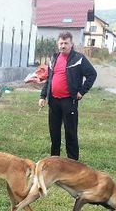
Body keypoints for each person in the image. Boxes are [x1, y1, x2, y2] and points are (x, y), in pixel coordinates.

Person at [39, 31, 97, 161]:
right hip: (53, 102)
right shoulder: (53, 58)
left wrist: (81, 92)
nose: (63, 46)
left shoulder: (78, 58)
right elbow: (49, 79)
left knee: (70, 134)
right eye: (61, 43)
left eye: (66, 43)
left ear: (71, 44)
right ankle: (54, 162)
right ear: (57, 44)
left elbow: (92, 74)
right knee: (54, 133)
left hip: (68, 102)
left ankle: (73, 165)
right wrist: (43, 96)